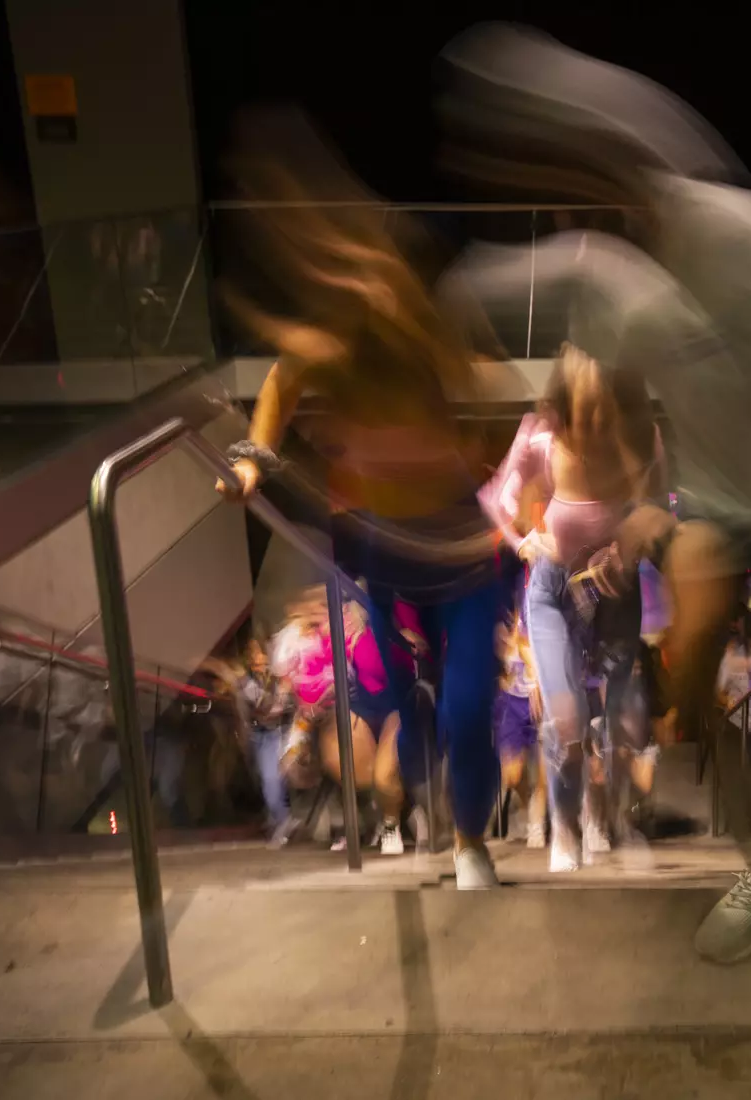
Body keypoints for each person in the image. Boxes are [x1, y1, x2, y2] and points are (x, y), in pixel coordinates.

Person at [439, 27, 751, 958]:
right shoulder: (613, 281)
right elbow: (601, 375)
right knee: (690, 664)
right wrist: (643, 508)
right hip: (713, 508)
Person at [218, 113, 505, 887]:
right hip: (387, 557)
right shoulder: (331, 345)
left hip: (459, 553)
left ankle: (470, 839)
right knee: (404, 716)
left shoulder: (429, 334)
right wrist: (251, 462)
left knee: (467, 706)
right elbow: (280, 385)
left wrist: (477, 454)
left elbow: (483, 396)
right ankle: (423, 782)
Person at [480, 342, 664, 871]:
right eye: (583, 404)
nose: (592, 417)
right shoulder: (540, 435)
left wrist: (632, 542)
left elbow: (658, 508)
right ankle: (564, 824)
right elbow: (498, 497)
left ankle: (609, 817)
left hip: (616, 593)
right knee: (567, 722)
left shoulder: (640, 438)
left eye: (603, 402)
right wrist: (523, 542)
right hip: (554, 591)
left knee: (621, 723)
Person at [493, 599, 547, 849]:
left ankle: (537, 823)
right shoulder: (497, 628)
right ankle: (528, 806)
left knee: (545, 769)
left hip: (541, 702)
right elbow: (499, 666)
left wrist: (539, 682)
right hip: (511, 705)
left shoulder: (537, 619)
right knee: (512, 776)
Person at [234, 638, 297, 846]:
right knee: (267, 780)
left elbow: (272, 706)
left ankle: (283, 820)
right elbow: (245, 709)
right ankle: (277, 818)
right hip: (257, 735)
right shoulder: (247, 680)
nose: (255, 658)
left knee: (272, 780)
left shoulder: (276, 678)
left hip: (275, 733)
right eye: (251, 654)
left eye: (258, 653)